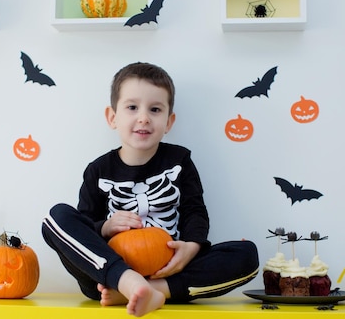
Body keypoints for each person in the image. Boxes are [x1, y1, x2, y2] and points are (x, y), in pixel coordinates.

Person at [41, 62, 259, 317]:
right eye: (132, 107)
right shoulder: (98, 170)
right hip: (105, 274)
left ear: (169, 121)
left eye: (155, 109)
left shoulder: (180, 161)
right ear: (112, 117)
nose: (143, 117)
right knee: (56, 217)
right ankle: (128, 283)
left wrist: (191, 247)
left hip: (172, 268)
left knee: (247, 255)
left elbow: (195, 211)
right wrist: (105, 227)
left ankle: (152, 290)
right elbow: (83, 224)